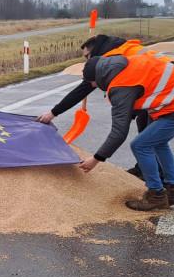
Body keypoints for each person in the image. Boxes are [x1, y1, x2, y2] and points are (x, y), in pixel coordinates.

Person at [77, 52, 174, 211]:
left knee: (140, 145)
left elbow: (119, 132)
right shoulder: (128, 63)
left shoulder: (120, 86)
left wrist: (96, 159)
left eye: (93, 84)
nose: (94, 87)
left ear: (98, 78)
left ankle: (156, 195)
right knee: (157, 143)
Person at [36, 34, 159, 178]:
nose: (87, 60)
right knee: (146, 130)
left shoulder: (110, 58)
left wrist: (53, 113)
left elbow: (84, 89)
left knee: (147, 138)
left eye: (87, 56)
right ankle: (146, 170)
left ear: (96, 50)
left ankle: (158, 179)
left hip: (159, 88)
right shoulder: (118, 49)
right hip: (151, 85)